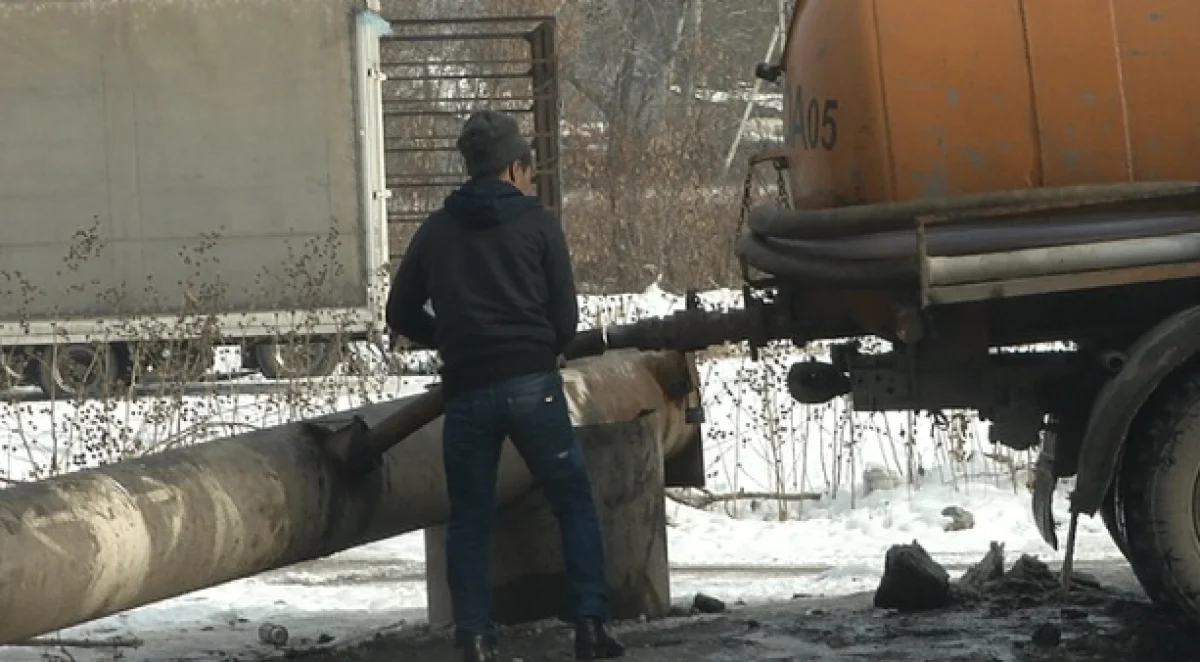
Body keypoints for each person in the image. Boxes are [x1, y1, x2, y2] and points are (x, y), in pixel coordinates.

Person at [385, 109, 626, 662]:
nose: (532, 176)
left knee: (469, 518)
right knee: (572, 502)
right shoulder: (538, 224)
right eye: (529, 166)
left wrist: (448, 336)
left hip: (467, 392)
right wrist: (537, 344)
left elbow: (400, 311)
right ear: (514, 167)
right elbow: (565, 320)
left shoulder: (437, 228)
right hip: (532, 386)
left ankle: (473, 637)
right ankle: (589, 627)